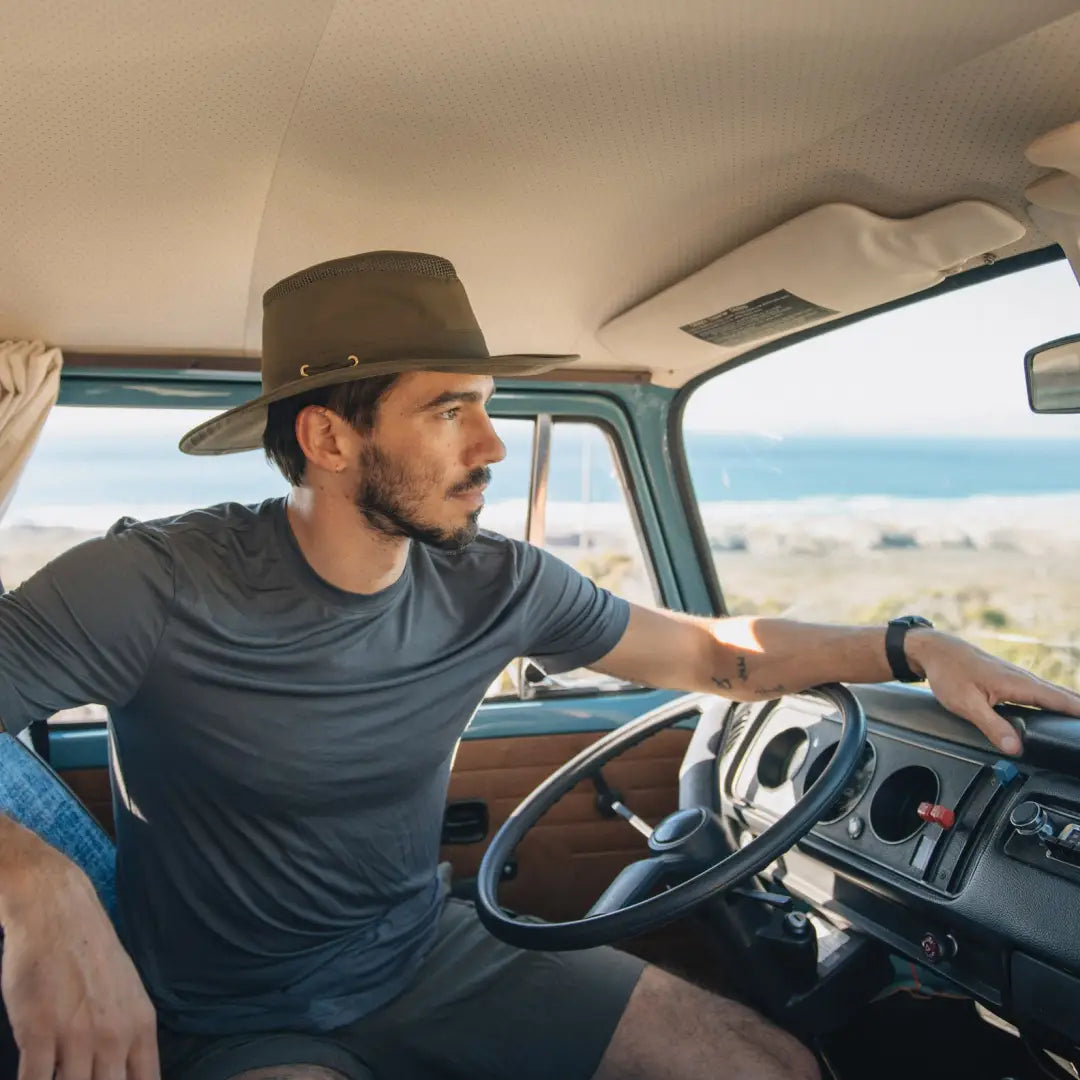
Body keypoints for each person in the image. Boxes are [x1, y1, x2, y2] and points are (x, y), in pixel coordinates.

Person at [0, 251, 1077, 1080]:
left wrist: (913, 643)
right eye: (447, 409)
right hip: (235, 1013)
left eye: (487, 403)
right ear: (329, 442)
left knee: (772, 1066)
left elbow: (719, 657)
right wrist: (33, 881)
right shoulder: (149, 583)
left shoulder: (493, 581)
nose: (492, 445)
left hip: (427, 954)